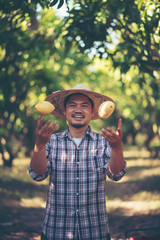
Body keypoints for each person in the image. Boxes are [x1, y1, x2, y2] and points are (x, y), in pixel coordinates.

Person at [29, 84, 126, 240]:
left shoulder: (103, 142)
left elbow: (116, 174)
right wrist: (39, 145)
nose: (78, 110)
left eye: (84, 106)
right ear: (65, 111)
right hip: (56, 229)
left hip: (95, 230)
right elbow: (38, 174)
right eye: (72, 105)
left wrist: (117, 147)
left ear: (93, 111)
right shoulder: (51, 141)